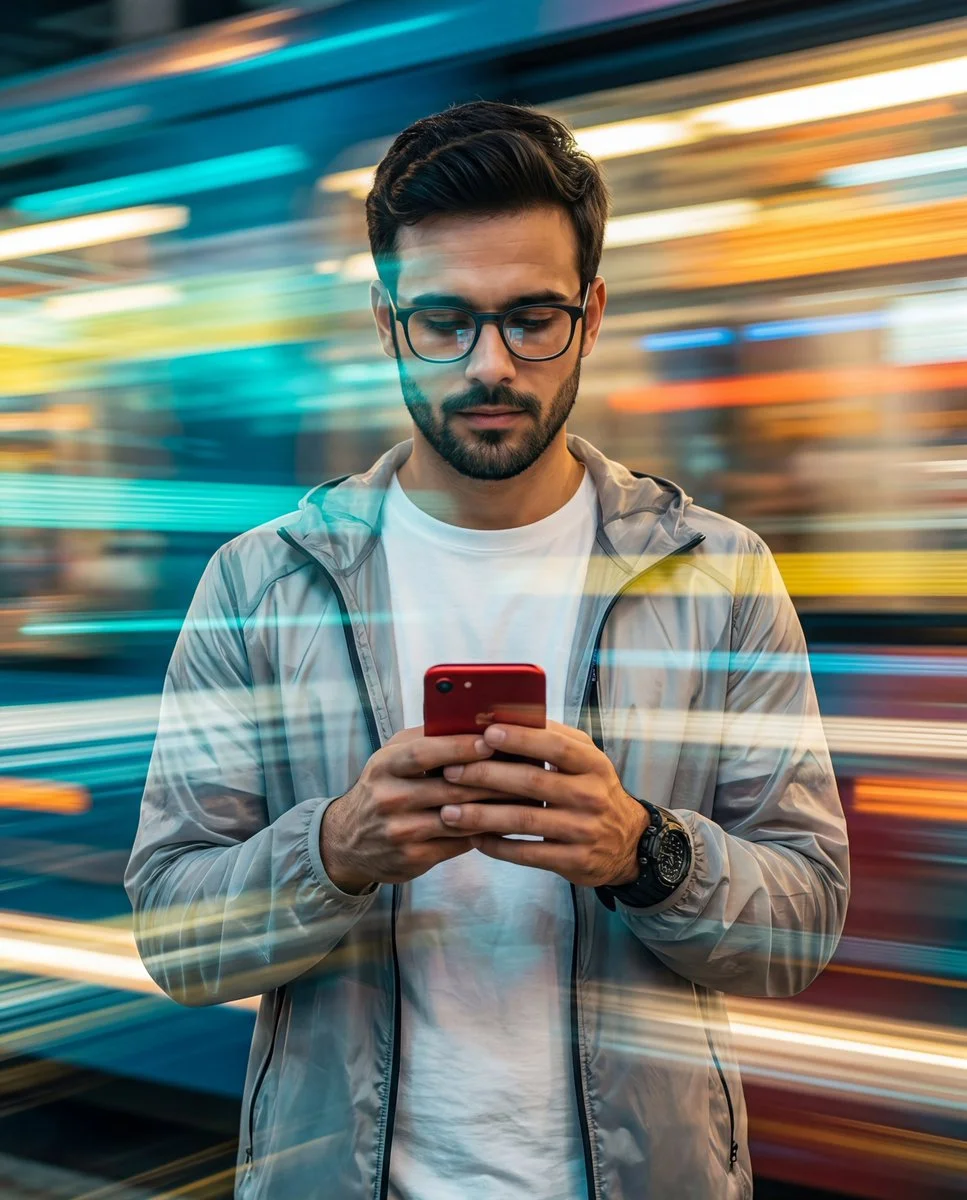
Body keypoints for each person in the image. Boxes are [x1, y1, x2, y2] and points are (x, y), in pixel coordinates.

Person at [125, 101, 849, 1200]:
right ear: (386, 323)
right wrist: (335, 850)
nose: (490, 364)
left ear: (590, 315)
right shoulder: (258, 585)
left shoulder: (719, 575)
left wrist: (643, 853)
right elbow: (176, 941)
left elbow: (802, 923)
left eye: (531, 318)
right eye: (444, 321)